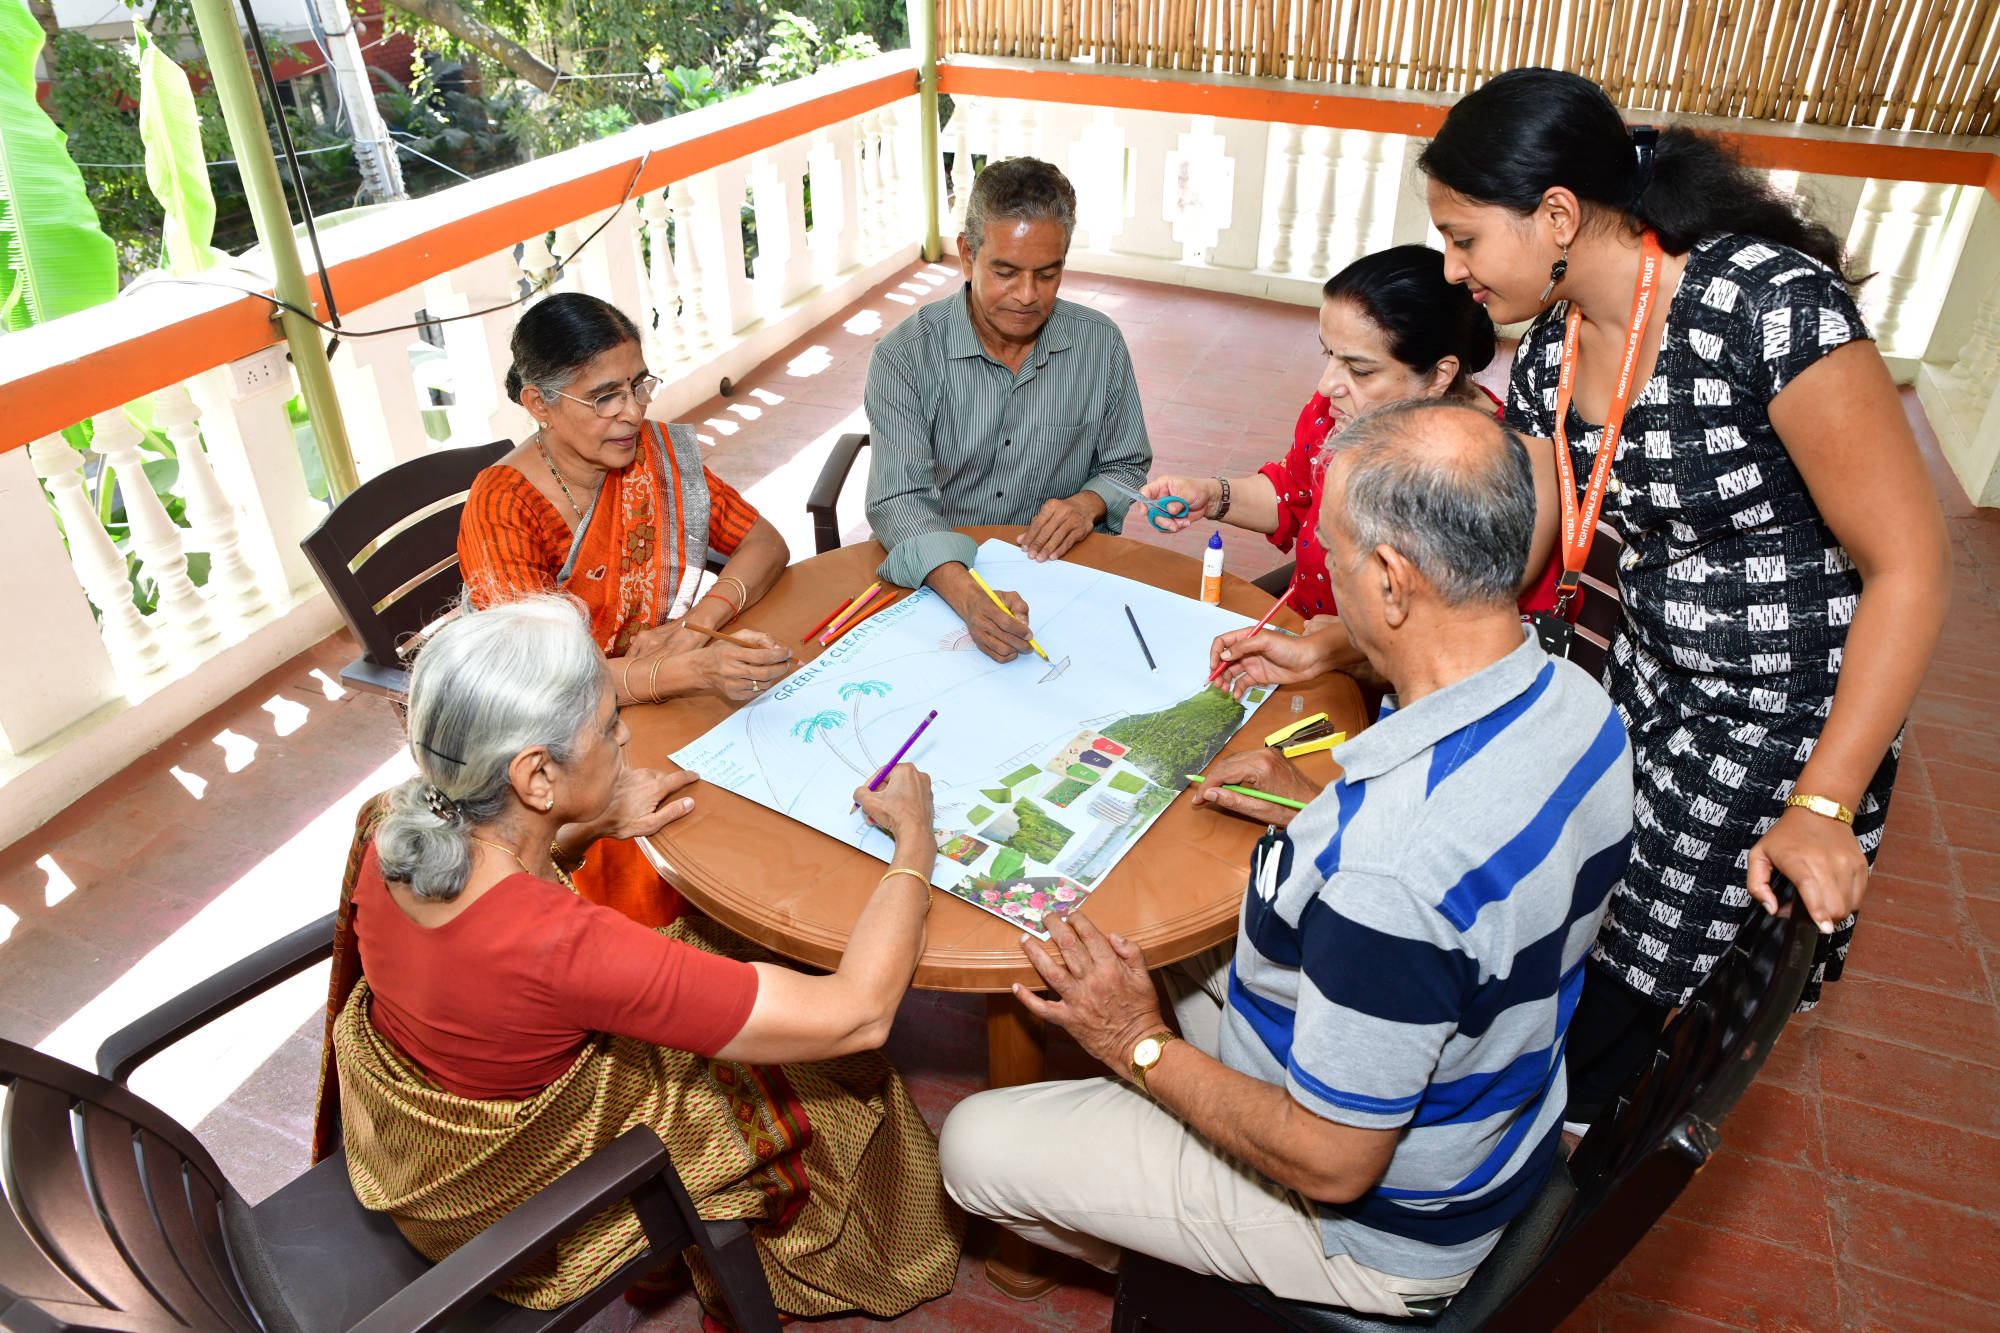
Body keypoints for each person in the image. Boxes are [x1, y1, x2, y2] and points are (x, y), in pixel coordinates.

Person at [939, 401, 1633, 1316]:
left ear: (1392, 581)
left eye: (1334, 553)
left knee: (973, 1147)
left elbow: (1332, 1159)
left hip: (1370, 1228)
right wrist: (1315, 804)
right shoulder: (1581, 703)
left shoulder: (1393, 874)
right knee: (1165, 915)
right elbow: (1475, 898)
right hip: (1496, 1120)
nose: (1323, 575)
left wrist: (1133, 1041)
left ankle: (1202, 1282)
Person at [1413, 66, 1951, 1120]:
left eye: (1464, 236)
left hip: (1777, 718)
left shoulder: (1761, 308)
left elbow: (1911, 565)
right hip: (1642, 676)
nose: (1451, 267)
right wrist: (1366, 626)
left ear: (1556, 213)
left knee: (1632, 975)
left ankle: (1532, 1189)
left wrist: (1822, 803)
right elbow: (1528, 550)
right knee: (1546, 900)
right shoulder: (1550, 351)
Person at [321, 596, 960, 1321]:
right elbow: (859, 1013)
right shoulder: (558, 945)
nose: (625, 735)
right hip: (513, 1206)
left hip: (411, 1143)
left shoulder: (393, 819)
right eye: (608, 725)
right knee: (831, 1075)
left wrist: (571, 828)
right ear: (535, 777)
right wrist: (914, 840)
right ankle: (857, 1254)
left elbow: (474, 928)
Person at [458, 292, 793, 926]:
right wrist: (691, 671)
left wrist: (696, 626)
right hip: (556, 745)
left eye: (639, 385)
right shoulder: (505, 508)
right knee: (703, 823)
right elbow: (543, 683)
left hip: (654, 697)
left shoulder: (656, 459)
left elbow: (763, 542)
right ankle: (673, 968)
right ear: (539, 404)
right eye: (606, 396)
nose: (634, 413)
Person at [1148, 245, 1559, 687]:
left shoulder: (1479, 470)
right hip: (1308, 637)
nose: (1328, 385)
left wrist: (1338, 647)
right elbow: (1294, 492)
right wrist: (1213, 495)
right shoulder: (1336, 413)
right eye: (1329, 355)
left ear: (1440, 374)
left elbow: (1455, 641)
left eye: (1359, 370)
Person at [864, 156, 1152, 661]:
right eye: (1005, 272)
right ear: (966, 254)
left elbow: (1127, 464)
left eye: (1047, 274)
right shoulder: (905, 357)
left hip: (1066, 576)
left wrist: (1087, 505)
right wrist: (968, 596)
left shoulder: (1099, 344)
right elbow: (897, 502)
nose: (1026, 296)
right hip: (943, 579)